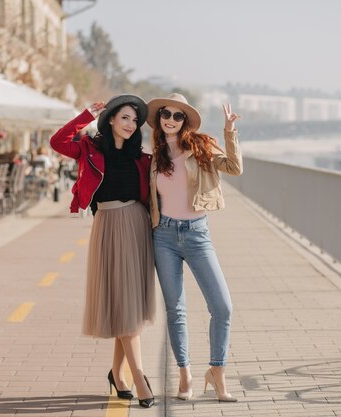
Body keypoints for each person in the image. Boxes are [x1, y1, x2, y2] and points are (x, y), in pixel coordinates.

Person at [49, 95, 156, 408]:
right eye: (124, 117)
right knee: (122, 305)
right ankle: (139, 379)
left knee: (128, 307)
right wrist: (83, 116)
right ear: (110, 119)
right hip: (108, 226)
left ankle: (117, 375)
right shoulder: (89, 149)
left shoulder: (142, 157)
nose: (130, 124)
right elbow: (57, 141)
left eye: (135, 120)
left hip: (136, 227)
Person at [147, 93, 242, 402]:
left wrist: (229, 132)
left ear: (185, 121)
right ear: (160, 117)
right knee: (175, 310)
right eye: (166, 113)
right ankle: (185, 374)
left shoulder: (199, 148)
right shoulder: (155, 156)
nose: (170, 119)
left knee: (222, 307)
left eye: (177, 116)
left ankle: (216, 371)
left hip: (197, 234)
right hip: (163, 235)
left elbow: (234, 167)